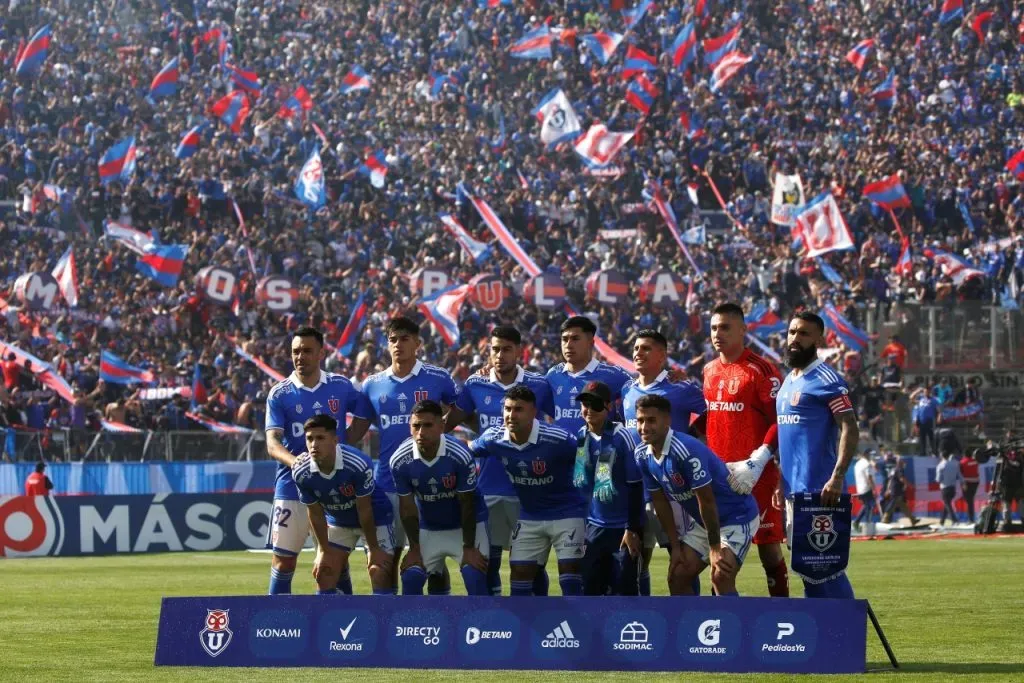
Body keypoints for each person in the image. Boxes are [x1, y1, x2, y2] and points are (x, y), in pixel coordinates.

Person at [264, 327, 373, 595]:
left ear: (321, 353)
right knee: (284, 560)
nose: (300, 357)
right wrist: (295, 462)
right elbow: (272, 443)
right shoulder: (280, 393)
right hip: (291, 486)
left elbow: (364, 413)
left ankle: (343, 622)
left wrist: (344, 445)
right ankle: (275, 626)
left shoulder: (340, 386)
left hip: (334, 488)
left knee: (336, 562)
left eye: (307, 351)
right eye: (295, 352)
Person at [447, 325, 553, 596]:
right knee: (489, 562)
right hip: (489, 488)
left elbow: (562, 419)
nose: (500, 354)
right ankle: (498, 622)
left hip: (528, 487)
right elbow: (448, 423)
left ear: (519, 351)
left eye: (507, 349)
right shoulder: (475, 384)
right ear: (488, 351)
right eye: (495, 349)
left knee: (533, 565)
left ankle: (538, 616)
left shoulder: (539, 385)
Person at [361, 317, 459, 590]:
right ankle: (388, 619)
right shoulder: (372, 384)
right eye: (393, 339)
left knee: (433, 559)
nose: (398, 345)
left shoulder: (438, 377)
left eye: (405, 339)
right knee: (384, 560)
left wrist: (440, 433)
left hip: (430, 484)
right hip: (387, 484)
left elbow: (462, 410)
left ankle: (442, 614)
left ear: (417, 343)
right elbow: (354, 430)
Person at [701, 304, 790, 597]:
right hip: (720, 478)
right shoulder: (709, 370)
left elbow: (779, 421)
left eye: (725, 327)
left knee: (769, 551)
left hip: (757, 477)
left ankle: (782, 617)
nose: (718, 334)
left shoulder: (762, 370)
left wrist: (760, 458)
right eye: (714, 328)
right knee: (721, 559)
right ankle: (721, 624)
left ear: (743, 330)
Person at [634, 394, 759, 596]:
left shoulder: (685, 449)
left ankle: (735, 626)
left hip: (736, 516)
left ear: (667, 421)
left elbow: (707, 501)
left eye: (651, 420)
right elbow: (659, 501)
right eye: (640, 420)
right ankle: (692, 627)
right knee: (678, 575)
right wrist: (675, 547)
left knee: (720, 576)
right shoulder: (641, 454)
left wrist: (715, 548)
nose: (644, 427)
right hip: (705, 523)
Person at [468, 385, 586, 596]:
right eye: (508, 409)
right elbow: (466, 450)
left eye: (519, 410)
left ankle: (578, 626)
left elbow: (586, 458)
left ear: (533, 412)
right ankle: (525, 627)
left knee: (570, 572)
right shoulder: (493, 438)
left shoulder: (557, 439)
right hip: (530, 515)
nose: (511, 415)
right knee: (519, 574)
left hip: (567, 512)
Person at [773, 312, 859, 599]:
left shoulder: (827, 379)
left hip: (820, 493)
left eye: (804, 334)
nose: (795, 339)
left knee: (826, 570)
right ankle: (825, 637)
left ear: (819, 339)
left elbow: (849, 426)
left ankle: (847, 631)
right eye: (792, 332)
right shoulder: (788, 381)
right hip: (793, 494)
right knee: (808, 572)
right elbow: (788, 439)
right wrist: (779, 481)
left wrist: (837, 477)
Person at [621, 329, 706, 596]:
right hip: (635, 490)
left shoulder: (680, 389)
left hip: (673, 492)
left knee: (681, 562)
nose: (638, 353)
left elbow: (713, 411)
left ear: (662, 355)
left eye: (646, 348)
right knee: (633, 559)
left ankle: (691, 622)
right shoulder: (627, 389)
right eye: (636, 348)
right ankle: (642, 621)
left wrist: (693, 439)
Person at [390, 400, 489, 596]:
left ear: (442, 426)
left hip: (467, 526)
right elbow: (407, 508)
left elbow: (466, 503)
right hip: (430, 527)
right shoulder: (399, 460)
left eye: (428, 425)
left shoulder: (460, 455)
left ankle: (482, 625)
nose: (420, 432)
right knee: (411, 576)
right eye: (416, 426)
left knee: (474, 574)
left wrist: (468, 548)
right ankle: (414, 625)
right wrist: (414, 548)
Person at [291, 415, 395, 595]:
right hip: (339, 522)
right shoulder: (301, 471)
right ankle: (334, 620)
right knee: (324, 573)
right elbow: (315, 513)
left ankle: (385, 621)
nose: (314, 444)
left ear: (335, 440)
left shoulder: (357, 463)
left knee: (379, 571)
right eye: (309, 439)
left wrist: (375, 549)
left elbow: (365, 509)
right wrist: (323, 551)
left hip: (375, 519)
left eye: (320, 438)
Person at [571, 381, 645, 596]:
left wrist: (632, 529)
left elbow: (635, 486)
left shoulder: (622, 437)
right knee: (591, 588)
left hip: (622, 528)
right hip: (595, 527)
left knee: (625, 588)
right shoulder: (581, 436)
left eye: (595, 404)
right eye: (585, 404)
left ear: (608, 407)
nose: (589, 409)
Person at [546, 316, 632, 433]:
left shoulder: (614, 375)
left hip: (599, 450)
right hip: (561, 450)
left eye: (575, 339)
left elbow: (640, 396)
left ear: (590, 342)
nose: (568, 345)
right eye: (565, 339)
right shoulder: (553, 375)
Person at [853, 451, 877, 537]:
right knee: (870, 506)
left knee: (867, 505)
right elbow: (869, 477)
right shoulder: (867, 464)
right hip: (867, 488)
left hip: (860, 488)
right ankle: (867, 525)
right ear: (866, 454)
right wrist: (874, 489)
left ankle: (857, 522)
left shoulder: (858, 464)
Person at [935, 453, 963, 527]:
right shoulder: (954, 464)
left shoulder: (940, 465)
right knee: (947, 504)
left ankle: (954, 520)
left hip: (945, 487)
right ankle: (942, 521)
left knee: (947, 504)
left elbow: (938, 479)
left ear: (941, 456)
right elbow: (959, 475)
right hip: (953, 487)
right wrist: (963, 482)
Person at [912, 391, 939, 458]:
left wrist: (939, 415)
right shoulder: (920, 400)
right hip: (921, 421)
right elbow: (911, 398)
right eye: (925, 392)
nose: (926, 393)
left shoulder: (933, 400)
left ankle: (934, 452)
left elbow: (938, 409)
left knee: (931, 437)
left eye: (928, 392)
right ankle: (922, 453)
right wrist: (917, 390)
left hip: (929, 421)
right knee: (922, 438)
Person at [960, 451, 980, 524]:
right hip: (975, 482)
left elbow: (961, 474)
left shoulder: (962, 462)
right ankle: (971, 518)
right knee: (970, 501)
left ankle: (971, 519)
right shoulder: (975, 461)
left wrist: (963, 484)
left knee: (969, 502)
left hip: (967, 483)